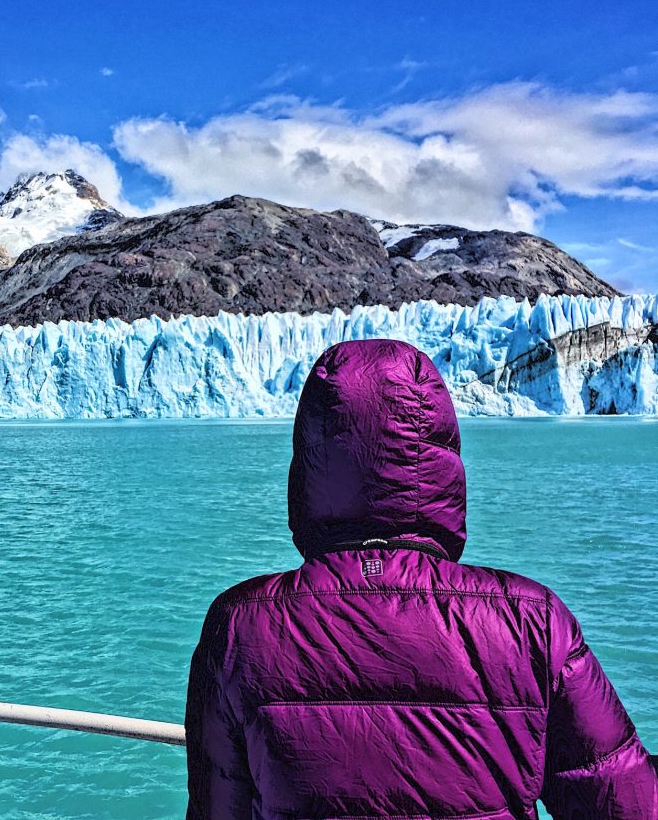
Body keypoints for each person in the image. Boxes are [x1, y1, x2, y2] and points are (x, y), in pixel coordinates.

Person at [185, 339, 657, 820]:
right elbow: (625, 803)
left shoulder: (239, 625)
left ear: (308, 463)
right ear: (442, 460)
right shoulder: (532, 620)